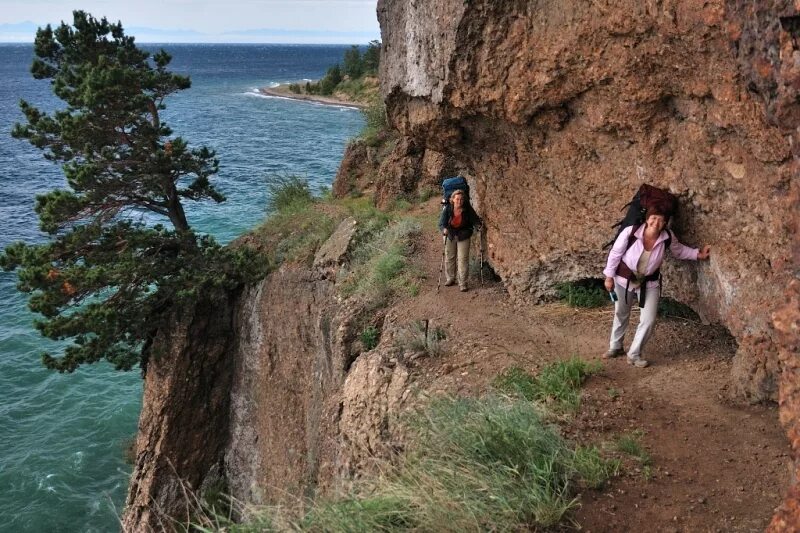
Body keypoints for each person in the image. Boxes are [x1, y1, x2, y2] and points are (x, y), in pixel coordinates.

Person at [602, 207, 711, 367]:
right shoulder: (631, 232)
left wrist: (698, 254)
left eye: (660, 220)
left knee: (649, 319)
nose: (656, 222)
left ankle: (634, 354)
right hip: (623, 279)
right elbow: (615, 253)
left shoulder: (667, 237)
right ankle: (616, 347)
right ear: (647, 219)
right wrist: (609, 277)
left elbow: (679, 250)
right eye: (653, 218)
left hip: (649, 283)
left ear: (665, 223)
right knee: (621, 312)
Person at [438, 189, 482, 292]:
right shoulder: (448, 208)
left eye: (461, 199)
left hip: (464, 234)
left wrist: (478, 226)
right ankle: (450, 278)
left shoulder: (467, 209)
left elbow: (475, 220)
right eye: (457, 199)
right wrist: (443, 229)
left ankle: (463, 283)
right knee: (449, 257)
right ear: (452, 199)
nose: (459, 201)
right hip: (450, 234)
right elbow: (441, 223)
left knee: (463, 259)